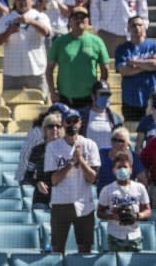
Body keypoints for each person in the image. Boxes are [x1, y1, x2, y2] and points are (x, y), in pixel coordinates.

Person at [43, 108, 100, 253]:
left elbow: (93, 178)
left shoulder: (90, 145)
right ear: (63, 124)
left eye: (75, 121)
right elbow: (53, 180)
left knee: (85, 247)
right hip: (60, 203)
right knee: (57, 248)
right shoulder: (53, 147)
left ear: (80, 123)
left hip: (84, 203)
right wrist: (71, 164)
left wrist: (80, 160)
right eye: (68, 121)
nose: (72, 125)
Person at [47, 7, 110, 109]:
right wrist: (52, 92)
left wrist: (98, 92)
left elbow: (105, 69)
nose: (79, 20)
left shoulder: (97, 41)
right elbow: (49, 69)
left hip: (89, 99)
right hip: (65, 98)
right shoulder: (59, 42)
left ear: (88, 20)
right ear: (69, 21)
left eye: (83, 17)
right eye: (76, 17)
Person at [0, 0, 51, 94]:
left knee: (39, 103)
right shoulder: (6, 18)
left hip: (36, 70)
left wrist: (30, 21)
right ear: (15, 1)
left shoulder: (40, 16)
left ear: (32, 0)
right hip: (12, 72)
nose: (22, 2)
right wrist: (9, 32)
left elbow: (46, 32)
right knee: (11, 105)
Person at [98, 152, 152, 252]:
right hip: (115, 236)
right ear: (113, 170)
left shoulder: (139, 188)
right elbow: (99, 212)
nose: (122, 170)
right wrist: (114, 216)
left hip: (135, 235)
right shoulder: (107, 189)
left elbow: (148, 210)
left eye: (125, 167)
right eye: (119, 167)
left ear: (131, 169)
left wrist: (137, 216)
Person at [118, 16, 156, 124]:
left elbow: (155, 65)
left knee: (152, 134)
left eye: (140, 25)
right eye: (133, 25)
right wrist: (147, 65)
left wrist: (134, 62)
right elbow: (124, 70)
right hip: (131, 99)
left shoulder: (154, 46)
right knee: (133, 133)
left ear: (145, 27)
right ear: (128, 28)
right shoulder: (123, 49)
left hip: (153, 99)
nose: (137, 28)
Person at [23, 112, 63, 210]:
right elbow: (28, 175)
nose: (55, 129)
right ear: (45, 129)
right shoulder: (37, 150)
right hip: (42, 198)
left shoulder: (68, 149)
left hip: (63, 198)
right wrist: (37, 183)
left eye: (58, 126)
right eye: (51, 126)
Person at [96, 127, 146, 196]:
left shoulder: (133, 157)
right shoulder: (102, 153)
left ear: (128, 143)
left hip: (126, 197)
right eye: (114, 140)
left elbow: (143, 179)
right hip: (104, 197)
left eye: (121, 141)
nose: (117, 143)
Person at [77, 81, 124, 150]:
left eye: (107, 94)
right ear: (93, 96)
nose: (105, 97)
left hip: (108, 158)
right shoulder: (81, 116)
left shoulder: (116, 119)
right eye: (102, 94)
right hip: (88, 158)